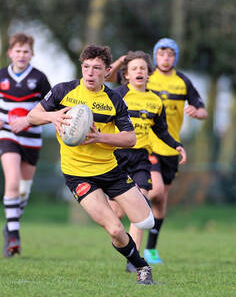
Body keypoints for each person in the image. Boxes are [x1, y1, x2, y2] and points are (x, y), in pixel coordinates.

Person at [27, 44, 154, 285]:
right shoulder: (63, 91)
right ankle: (142, 267)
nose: (90, 73)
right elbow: (31, 116)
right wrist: (52, 116)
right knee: (116, 230)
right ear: (81, 68)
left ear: (107, 71)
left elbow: (130, 138)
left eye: (96, 68)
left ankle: (115, 202)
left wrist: (100, 137)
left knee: (146, 220)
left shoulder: (114, 98)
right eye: (86, 67)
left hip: (111, 171)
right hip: (78, 175)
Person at [108, 50, 186, 273]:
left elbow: (162, 131)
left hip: (141, 158)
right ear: (126, 75)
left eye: (143, 68)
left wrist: (177, 146)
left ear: (148, 74)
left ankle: (133, 260)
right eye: (134, 68)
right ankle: (124, 244)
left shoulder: (155, 100)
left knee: (141, 205)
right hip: (117, 156)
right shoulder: (117, 95)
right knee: (117, 215)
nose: (139, 71)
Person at [144, 38, 208, 264]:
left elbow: (203, 111)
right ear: (155, 56)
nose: (165, 58)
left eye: (170, 54)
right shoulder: (147, 77)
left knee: (161, 202)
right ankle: (132, 206)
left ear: (175, 57)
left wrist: (195, 111)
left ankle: (150, 249)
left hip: (172, 148)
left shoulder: (183, 81)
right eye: (161, 54)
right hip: (148, 144)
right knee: (156, 191)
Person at [0, 33, 51, 258]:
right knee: (11, 181)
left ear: (32, 54)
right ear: (10, 52)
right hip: (7, 135)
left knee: (24, 190)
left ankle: (10, 225)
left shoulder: (39, 78)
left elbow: (50, 105)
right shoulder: (1, 76)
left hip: (32, 137)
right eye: (17, 51)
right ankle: (14, 236)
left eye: (26, 51)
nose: (21, 55)